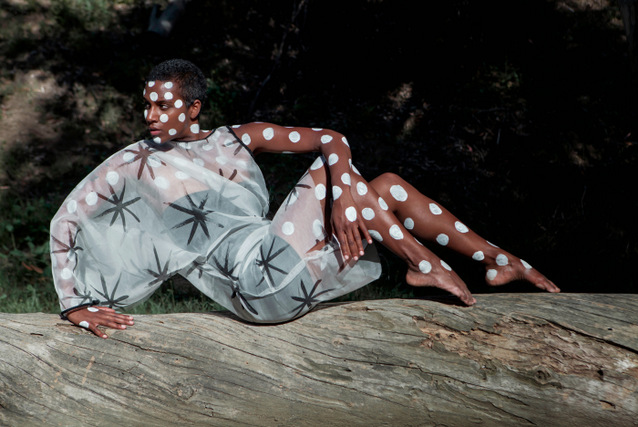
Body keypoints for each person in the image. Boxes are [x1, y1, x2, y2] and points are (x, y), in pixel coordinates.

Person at [50, 59, 559, 338]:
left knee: (384, 185)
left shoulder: (236, 137)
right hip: (256, 284)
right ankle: (422, 262)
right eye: (147, 105)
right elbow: (66, 220)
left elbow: (332, 137)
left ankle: (496, 260)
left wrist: (341, 201)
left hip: (282, 265)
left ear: (194, 106)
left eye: (163, 105)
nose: (151, 116)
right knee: (339, 178)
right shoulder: (134, 162)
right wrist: (75, 305)